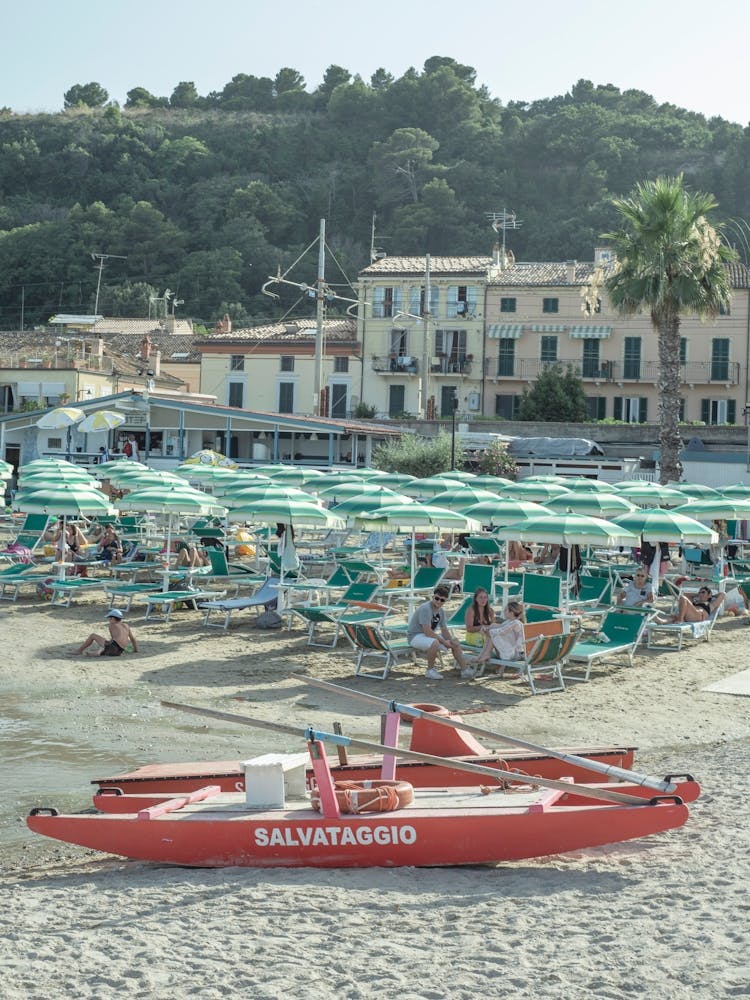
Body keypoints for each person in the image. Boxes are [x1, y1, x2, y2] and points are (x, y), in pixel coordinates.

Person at [407, 583, 472, 680]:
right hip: (415, 636)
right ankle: (430, 670)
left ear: (445, 601)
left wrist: (451, 640)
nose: (439, 601)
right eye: (437, 598)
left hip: (426, 636)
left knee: (455, 641)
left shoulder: (440, 611)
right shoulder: (426, 608)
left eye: (442, 600)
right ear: (433, 597)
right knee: (435, 642)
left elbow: (444, 629)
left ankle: (465, 670)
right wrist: (445, 642)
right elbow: (427, 631)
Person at [473, 600, 527, 667]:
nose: (503, 612)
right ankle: (482, 655)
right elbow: (498, 626)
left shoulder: (516, 623)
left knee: (493, 635)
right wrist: (486, 628)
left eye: (505, 610)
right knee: (493, 630)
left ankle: (485, 655)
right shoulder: (510, 621)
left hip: (514, 655)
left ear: (511, 612)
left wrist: (487, 632)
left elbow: (501, 631)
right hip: (510, 652)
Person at [74, 608, 138, 657]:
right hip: (119, 652)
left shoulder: (112, 625)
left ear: (113, 618)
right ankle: (100, 651)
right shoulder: (126, 626)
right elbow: (133, 639)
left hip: (113, 648)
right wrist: (135, 650)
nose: (109, 620)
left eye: (109, 619)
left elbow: (113, 640)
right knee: (106, 644)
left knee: (93, 635)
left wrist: (104, 644)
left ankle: (79, 651)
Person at [659, 587, 725, 624]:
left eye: (703, 592)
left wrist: (712, 596)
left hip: (699, 616)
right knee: (674, 616)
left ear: (709, 595)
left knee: (683, 598)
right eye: (699, 592)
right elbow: (685, 594)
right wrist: (697, 594)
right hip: (689, 616)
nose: (700, 594)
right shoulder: (695, 602)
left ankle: (680, 619)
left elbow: (723, 594)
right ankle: (662, 621)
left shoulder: (711, 605)